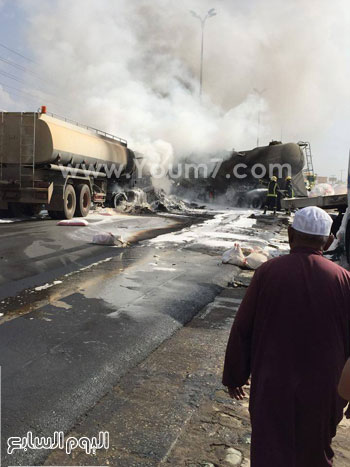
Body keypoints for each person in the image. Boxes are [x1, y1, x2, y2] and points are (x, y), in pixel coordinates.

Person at [222, 206, 350, 467]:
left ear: (291, 234)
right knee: (316, 451)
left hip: (273, 382)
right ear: (327, 241)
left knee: (270, 449)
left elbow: (243, 327)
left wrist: (235, 375)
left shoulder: (267, 273)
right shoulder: (344, 280)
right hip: (325, 387)